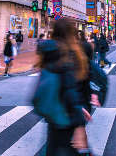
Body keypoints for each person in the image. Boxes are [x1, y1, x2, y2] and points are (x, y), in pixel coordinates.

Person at [34, 26, 89, 155]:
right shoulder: (66, 57)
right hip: (66, 120)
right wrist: (79, 125)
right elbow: (70, 91)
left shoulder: (49, 54)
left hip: (53, 119)